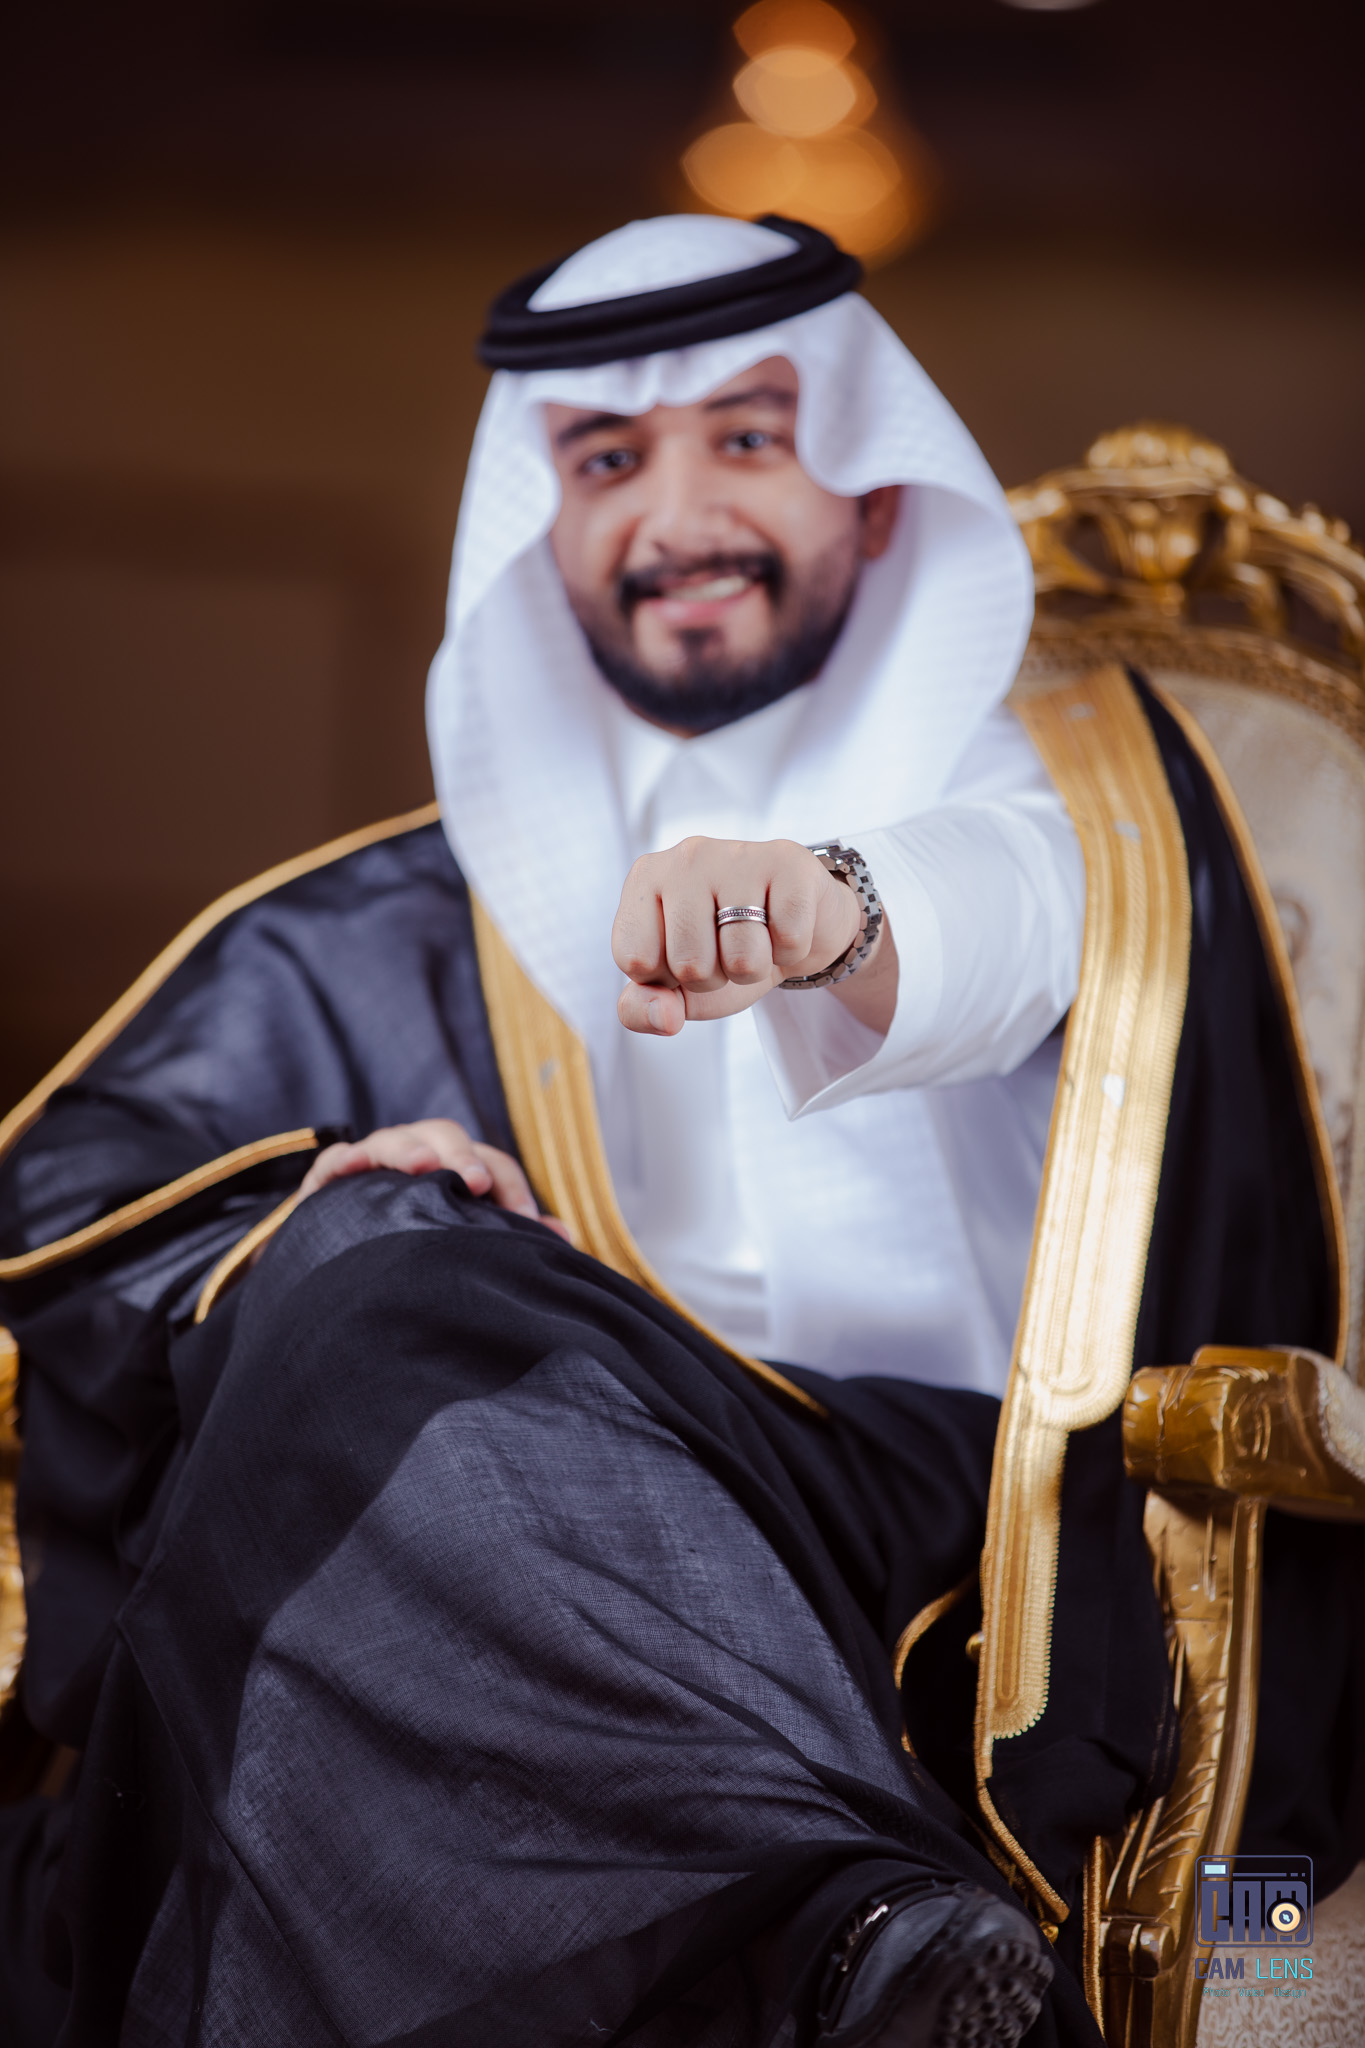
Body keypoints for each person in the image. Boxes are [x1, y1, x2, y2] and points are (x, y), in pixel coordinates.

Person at [0, 214, 1357, 2048]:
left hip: (1003, 1536)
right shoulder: (411, 909)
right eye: (605, 461)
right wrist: (327, 1215)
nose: (676, 515)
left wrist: (833, 908)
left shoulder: (1066, 783)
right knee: (366, 1275)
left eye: (748, 437)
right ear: (539, 516)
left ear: (871, 481)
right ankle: (857, 1947)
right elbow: (76, 1195)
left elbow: (1016, 915)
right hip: (589, 1492)